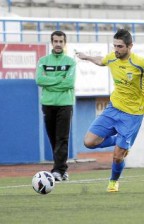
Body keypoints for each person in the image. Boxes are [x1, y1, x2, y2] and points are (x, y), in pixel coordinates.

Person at [76, 28, 144, 192]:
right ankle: (119, 141)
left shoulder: (140, 63)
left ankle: (113, 181)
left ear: (130, 46)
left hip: (132, 116)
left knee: (117, 156)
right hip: (112, 109)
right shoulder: (112, 58)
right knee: (89, 142)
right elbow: (101, 60)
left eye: (120, 46)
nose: (116, 49)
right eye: (114, 45)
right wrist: (87, 57)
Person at [36, 30, 76, 182]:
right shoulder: (43, 61)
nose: (58, 44)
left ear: (64, 43)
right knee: (53, 138)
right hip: (48, 104)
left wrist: (51, 82)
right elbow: (39, 80)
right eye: (55, 41)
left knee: (62, 138)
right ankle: (62, 169)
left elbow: (70, 83)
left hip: (65, 104)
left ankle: (58, 171)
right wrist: (60, 79)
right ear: (51, 42)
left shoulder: (70, 62)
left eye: (61, 41)